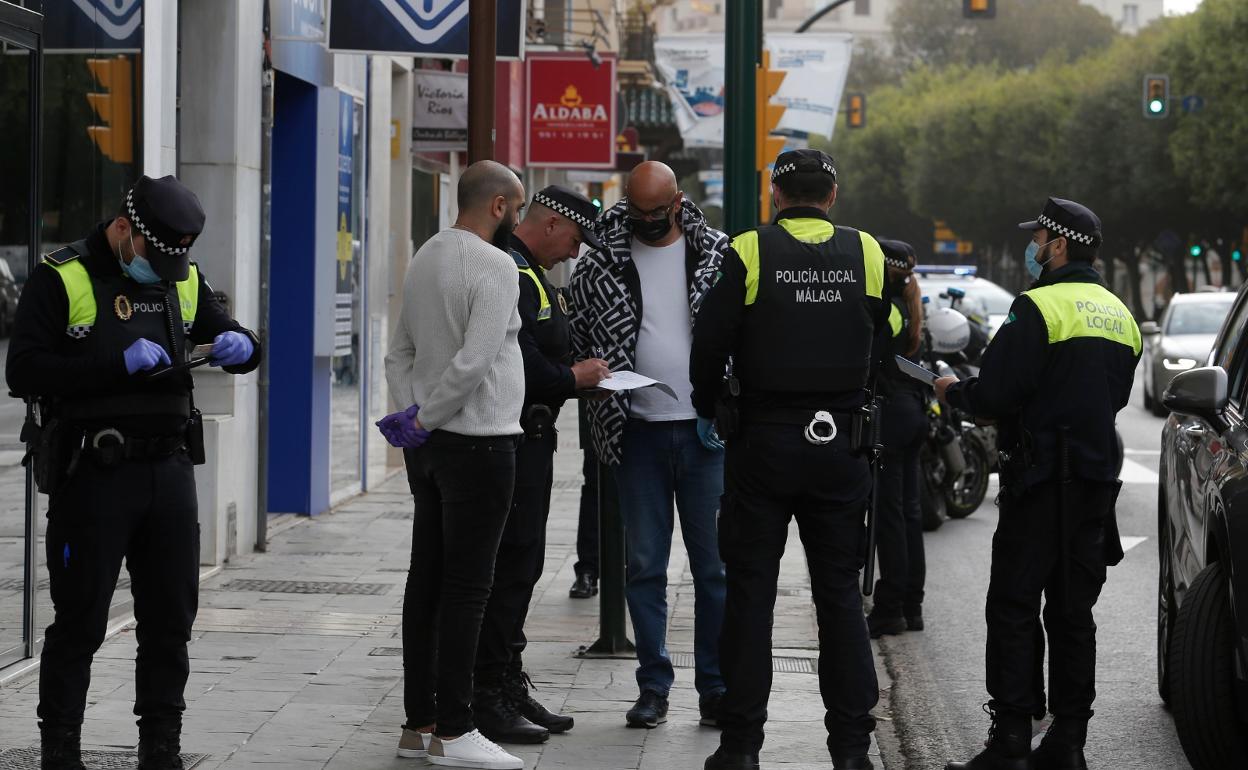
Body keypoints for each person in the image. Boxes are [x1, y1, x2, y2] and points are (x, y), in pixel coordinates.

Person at [6, 175, 261, 770]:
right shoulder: (63, 276)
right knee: (81, 621)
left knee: (171, 620)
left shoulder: (181, 277)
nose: (166, 271)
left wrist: (241, 346)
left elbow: (230, 331)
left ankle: (161, 747)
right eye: (155, 256)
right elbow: (23, 371)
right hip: (94, 473)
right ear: (124, 230)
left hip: (168, 472)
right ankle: (61, 749)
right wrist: (110, 364)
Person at [690, 148, 886, 770]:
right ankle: (852, 751)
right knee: (839, 599)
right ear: (832, 196)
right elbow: (882, 338)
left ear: (776, 196)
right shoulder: (868, 252)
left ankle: (742, 747)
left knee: (751, 596)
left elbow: (710, 340)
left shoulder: (748, 250)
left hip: (764, 445)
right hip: (841, 445)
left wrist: (710, 402)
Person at [936, 198, 1139, 770]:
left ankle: (1011, 742)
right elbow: (1116, 396)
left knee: (1014, 607)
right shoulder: (1118, 313)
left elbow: (997, 395)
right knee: (1074, 612)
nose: (1035, 249)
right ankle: (1068, 743)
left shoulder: (1037, 308)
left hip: (1041, 480)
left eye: (1040, 240)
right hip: (1096, 482)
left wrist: (953, 392)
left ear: (1058, 246)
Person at [568, 160, 730, 729]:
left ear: (678, 201)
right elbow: (578, 336)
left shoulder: (717, 253)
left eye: (657, 213)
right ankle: (653, 686)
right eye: (637, 212)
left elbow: (740, 333)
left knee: (714, 569)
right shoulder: (599, 261)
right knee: (644, 566)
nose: (646, 222)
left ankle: (715, 687)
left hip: (705, 433)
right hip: (634, 430)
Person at [381, 160, 528, 770]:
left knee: (428, 582)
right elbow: (476, 361)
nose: (518, 218)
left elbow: (398, 353)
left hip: (433, 449)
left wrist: (411, 418)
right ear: (498, 205)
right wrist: (429, 417)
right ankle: (458, 729)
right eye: (517, 207)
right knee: (469, 588)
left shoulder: (426, 255)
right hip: (480, 441)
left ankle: (422, 721)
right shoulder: (494, 265)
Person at [472, 186, 610, 745]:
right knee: (506, 568)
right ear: (552, 224)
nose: (575, 252)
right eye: (575, 238)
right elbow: (518, 358)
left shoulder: (530, 273)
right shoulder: (510, 269)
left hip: (533, 437)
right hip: (512, 437)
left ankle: (507, 678)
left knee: (524, 565)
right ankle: (488, 694)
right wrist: (571, 378)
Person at [867, 239, 929, 638]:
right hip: (912, 412)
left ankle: (890, 607)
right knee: (909, 514)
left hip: (891, 414)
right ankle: (911, 605)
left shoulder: (887, 309)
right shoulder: (911, 305)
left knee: (890, 516)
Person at [568, 404, 600, 599]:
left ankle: (636, 567)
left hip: (644, 405)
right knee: (595, 485)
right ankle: (587, 568)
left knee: (641, 484)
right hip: (599, 400)